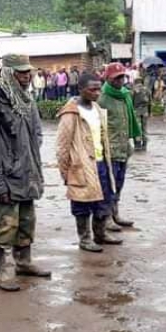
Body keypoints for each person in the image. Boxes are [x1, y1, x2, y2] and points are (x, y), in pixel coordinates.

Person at [0, 53, 51, 292]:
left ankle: (24, 262)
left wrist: (28, 159)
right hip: (4, 177)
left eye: (28, 72)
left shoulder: (26, 99)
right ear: (8, 73)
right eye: (21, 72)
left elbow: (37, 133)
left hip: (27, 173)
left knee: (26, 222)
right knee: (1, 226)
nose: (27, 76)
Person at [56, 73, 123, 253]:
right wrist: (66, 173)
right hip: (80, 165)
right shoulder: (70, 113)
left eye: (98, 88)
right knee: (82, 204)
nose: (97, 92)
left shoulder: (97, 109)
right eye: (92, 89)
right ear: (81, 89)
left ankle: (100, 233)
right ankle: (85, 238)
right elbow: (62, 147)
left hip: (101, 162)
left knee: (104, 200)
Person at [97, 63, 142, 232]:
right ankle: (106, 217)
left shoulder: (125, 95)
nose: (120, 80)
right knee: (109, 185)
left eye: (122, 77)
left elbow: (129, 121)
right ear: (108, 78)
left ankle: (115, 213)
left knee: (120, 183)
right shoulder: (102, 98)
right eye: (116, 77)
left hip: (123, 147)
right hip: (109, 150)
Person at [132, 76, 151, 151]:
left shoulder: (134, 90)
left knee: (137, 128)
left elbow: (131, 100)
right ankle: (145, 144)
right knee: (144, 128)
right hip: (145, 110)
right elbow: (150, 101)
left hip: (136, 110)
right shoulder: (147, 90)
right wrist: (150, 112)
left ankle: (137, 144)